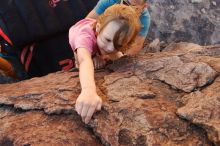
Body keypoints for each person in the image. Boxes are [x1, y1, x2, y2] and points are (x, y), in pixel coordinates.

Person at [69, 4, 141, 124]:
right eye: (107, 40)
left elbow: (113, 48)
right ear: (98, 28)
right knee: (83, 58)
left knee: (116, 57)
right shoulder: (84, 37)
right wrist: (88, 91)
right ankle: (93, 53)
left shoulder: (109, 36)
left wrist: (115, 55)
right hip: (78, 31)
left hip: (102, 31)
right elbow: (84, 62)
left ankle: (104, 47)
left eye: (118, 44)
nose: (110, 48)